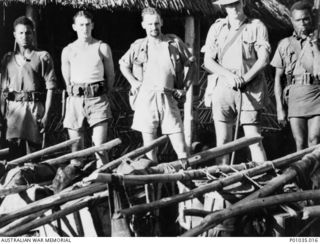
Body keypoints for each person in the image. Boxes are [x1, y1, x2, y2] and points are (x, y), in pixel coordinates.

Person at [119, 7, 195, 164]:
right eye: (150, 24)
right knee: (150, 148)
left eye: (156, 23)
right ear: (143, 25)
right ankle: (153, 185)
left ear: (161, 23)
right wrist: (133, 82)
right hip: (146, 99)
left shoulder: (173, 43)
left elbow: (192, 64)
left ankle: (185, 182)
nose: (154, 28)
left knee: (180, 146)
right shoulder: (138, 46)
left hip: (168, 97)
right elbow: (123, 64)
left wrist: (185, 88)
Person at [203, 0, 270, 165]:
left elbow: (263, 59)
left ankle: (264, 182)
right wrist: (228, 76)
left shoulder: (256, 26)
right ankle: (222, 183)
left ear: (243, 3)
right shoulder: (216, 28)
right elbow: (208, 61)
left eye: (236, 3)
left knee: (253, 140)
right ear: (223, 7)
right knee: (223, 142)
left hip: (250, 89)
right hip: (223, 88)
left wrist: (245, 79)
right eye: (228, 5)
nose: (232, 8)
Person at [61, 11, 115, 171]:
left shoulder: (102, 47)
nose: (84, 28)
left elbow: (110, 75)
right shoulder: (68, 50)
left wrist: (105, 94)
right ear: (74, 27)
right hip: (76, 100)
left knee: (100, 147)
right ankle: (76, 179)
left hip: (97, 99)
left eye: (87, 24)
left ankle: (102, 184)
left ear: (92, 25)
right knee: (76, 148)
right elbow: (67, 79)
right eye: (81, 25)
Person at [0, 16, 57, 159]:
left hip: (34, 110)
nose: (24, 36)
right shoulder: (8, 59)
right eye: (20, 33)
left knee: (33, 156)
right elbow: (2, 88)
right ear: (14, 35)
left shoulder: (42, 57)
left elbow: (50, 88)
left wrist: (46, 116)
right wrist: (2, 115)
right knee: (14, 156)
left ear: (33, 34)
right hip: (13, 111)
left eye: (28, 33)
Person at [271, 1, 320, 151]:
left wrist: (315, 46)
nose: (303, 24)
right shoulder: (285, 44)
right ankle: (304, 175)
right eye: (298, 20)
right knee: (299, 143)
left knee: (314, 140)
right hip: (295, 97)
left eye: (306, 19)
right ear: (292, 21)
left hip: (317, 94)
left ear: (312, 18)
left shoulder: (318, 41)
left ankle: (316, 175)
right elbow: (278, 79)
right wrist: (280, 109)